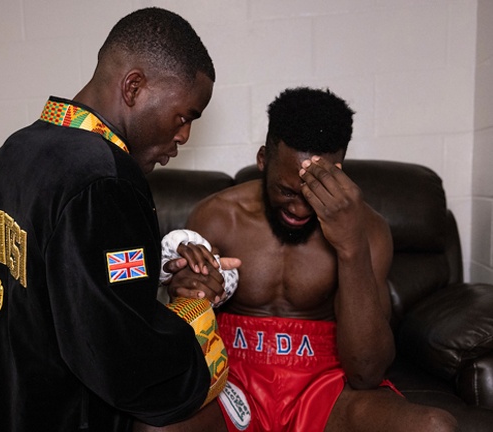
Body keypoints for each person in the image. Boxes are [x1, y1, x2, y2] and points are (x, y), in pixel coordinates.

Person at [0, 8, 235, 431]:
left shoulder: (16, 148)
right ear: (134, 86)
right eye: (185, 115)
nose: (184, 135)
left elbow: (60, 285)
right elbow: (119, 357)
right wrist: (195, 307)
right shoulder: (105, 178)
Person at [136, 87, 459, 431]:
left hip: (326, 385)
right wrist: (187, 294)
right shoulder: (218, 216)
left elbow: (366, 372)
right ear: (263, 160)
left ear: (339, 172)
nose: (300, 209)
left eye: (314, 194)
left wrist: (351, 247)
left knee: (435, 427)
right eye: (287, 191)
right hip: (232, 380)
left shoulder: (368, 229)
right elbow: (187, 320)